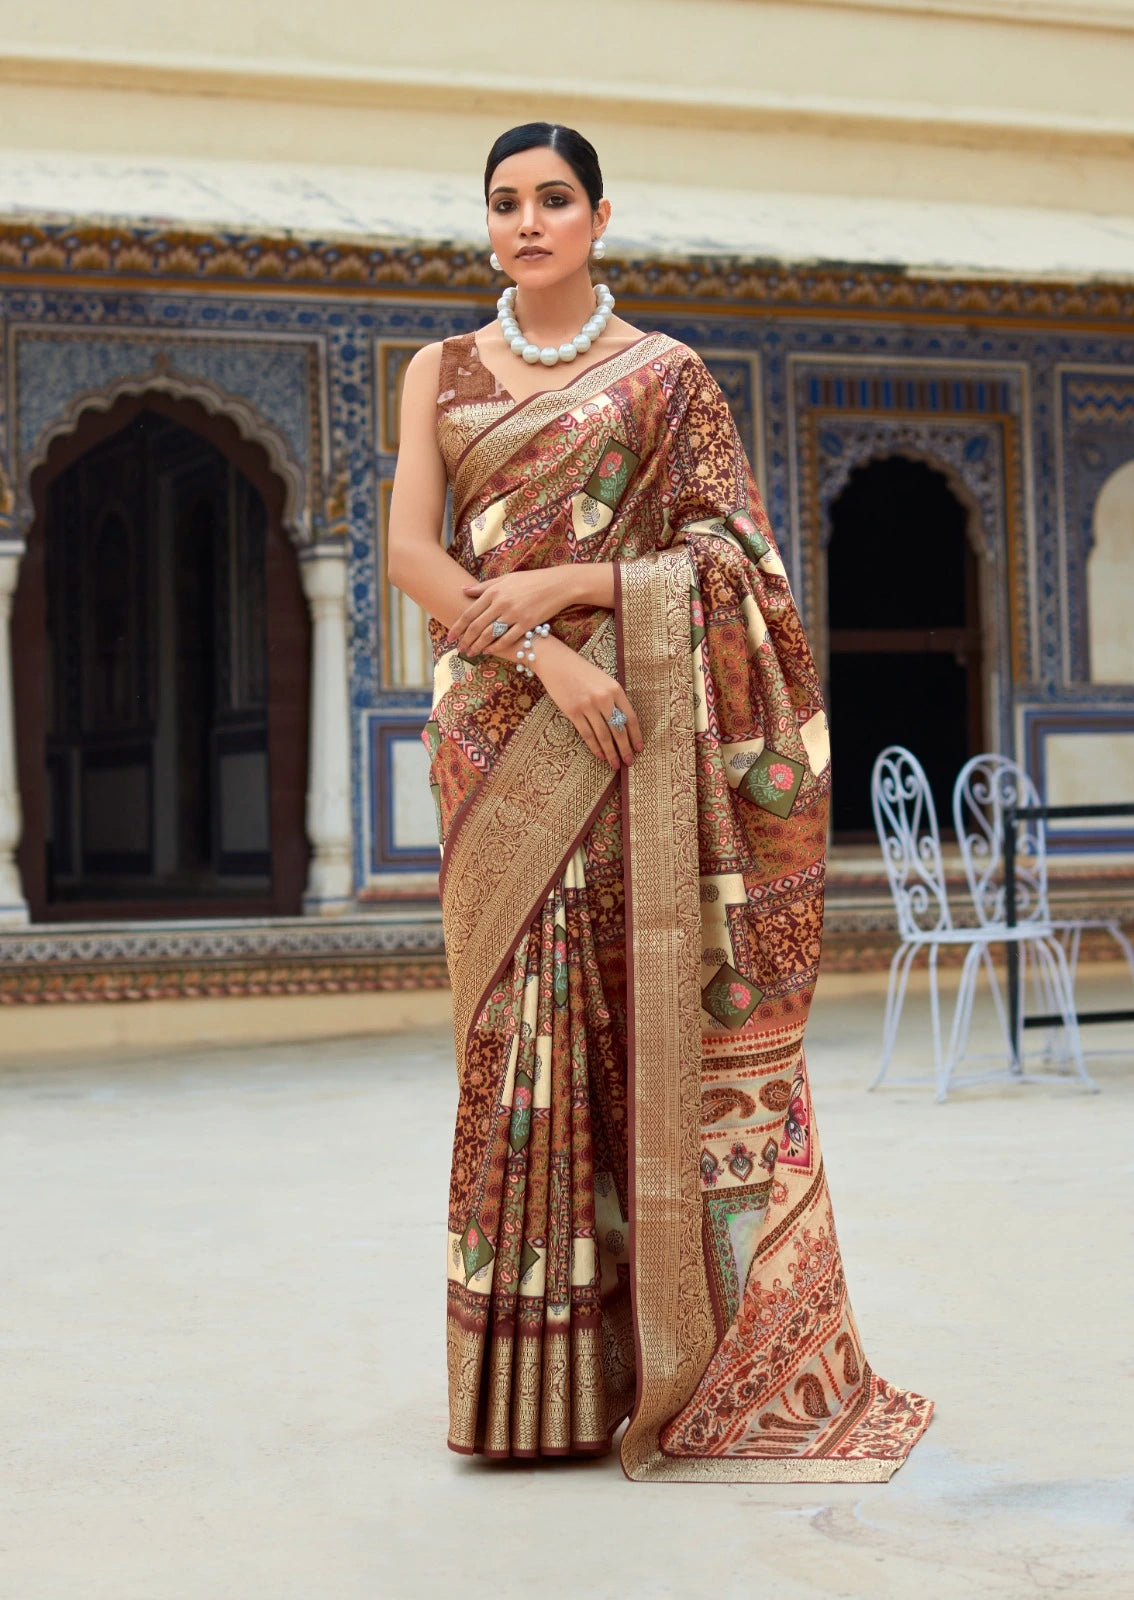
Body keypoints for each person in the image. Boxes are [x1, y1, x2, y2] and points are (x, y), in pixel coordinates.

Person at [387, 122, 933, 1482]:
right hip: (499, 731)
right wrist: (543, 654)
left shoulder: (667, 378)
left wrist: (578, 590)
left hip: (630, 738)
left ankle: (655, 1365)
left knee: (635, 1026)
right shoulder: (438, 370)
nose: (526, 223)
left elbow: (728, 561)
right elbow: (410, 550)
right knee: (513, 1039)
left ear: (599, 217)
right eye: (504, 203)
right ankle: (523, 1393)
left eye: (552, 200)